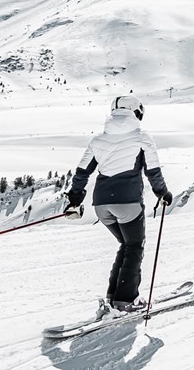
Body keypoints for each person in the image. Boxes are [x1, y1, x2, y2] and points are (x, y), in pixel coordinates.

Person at [64, 94, 174, 314]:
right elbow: (153, 170)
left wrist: (75, 198)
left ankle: (114, 297)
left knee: (126, 245)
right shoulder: (141, 137)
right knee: (134, 246)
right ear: (136, 112)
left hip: (101, 205)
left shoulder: (98, 140)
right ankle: (126, 300)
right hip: (128, 203)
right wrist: (162, 193)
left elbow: (82, 172)